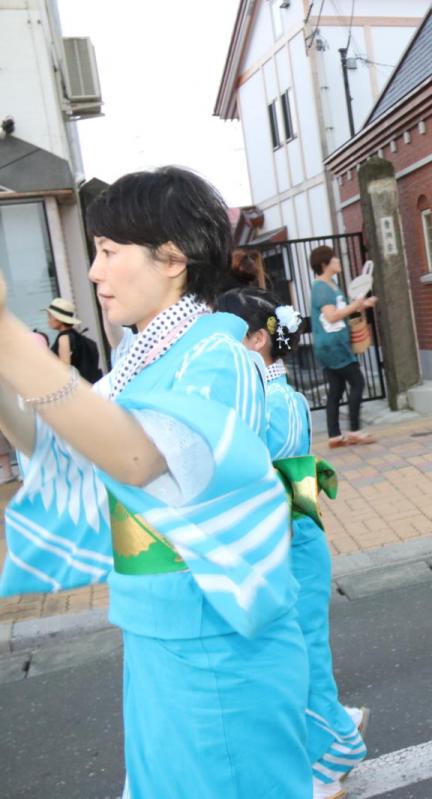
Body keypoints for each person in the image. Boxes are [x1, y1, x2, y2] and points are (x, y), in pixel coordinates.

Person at [0, 167, 309, 797]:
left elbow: (138, 459)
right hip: (164, 630)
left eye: (109, 252)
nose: (94, 271)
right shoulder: (145, 361)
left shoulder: (218, 355)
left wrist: (7, 336)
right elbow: (64, 445)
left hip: (216, 641)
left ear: (171, 260)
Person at [216, 287, 369, 799]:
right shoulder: (262, 395)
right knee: (298, 656)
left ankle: (331, 756)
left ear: (258, 339)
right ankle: (336, 731)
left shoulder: (274, 401)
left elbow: (266, 483)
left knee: (298, 660)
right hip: (283, 543)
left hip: (288, 546)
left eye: (226, 332)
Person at [310, 245, 377, 449]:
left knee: (336, 389)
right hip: (333, 346)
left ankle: (335, 436)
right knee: (357, 382)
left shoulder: (332, 285)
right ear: (324, 264)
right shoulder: (321, 288)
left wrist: (362, 304)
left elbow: (344, 309)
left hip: (333, 344)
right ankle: (354, 431)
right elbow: (331, 316)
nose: (338, 260)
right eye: (334, 259)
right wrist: (356, 305)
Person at [45, 298, 103, 383]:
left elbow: (65, 370)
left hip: (77, 390)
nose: (48, 320)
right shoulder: (78, 337)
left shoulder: (64, 338)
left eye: (50, 316)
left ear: (59, 319)